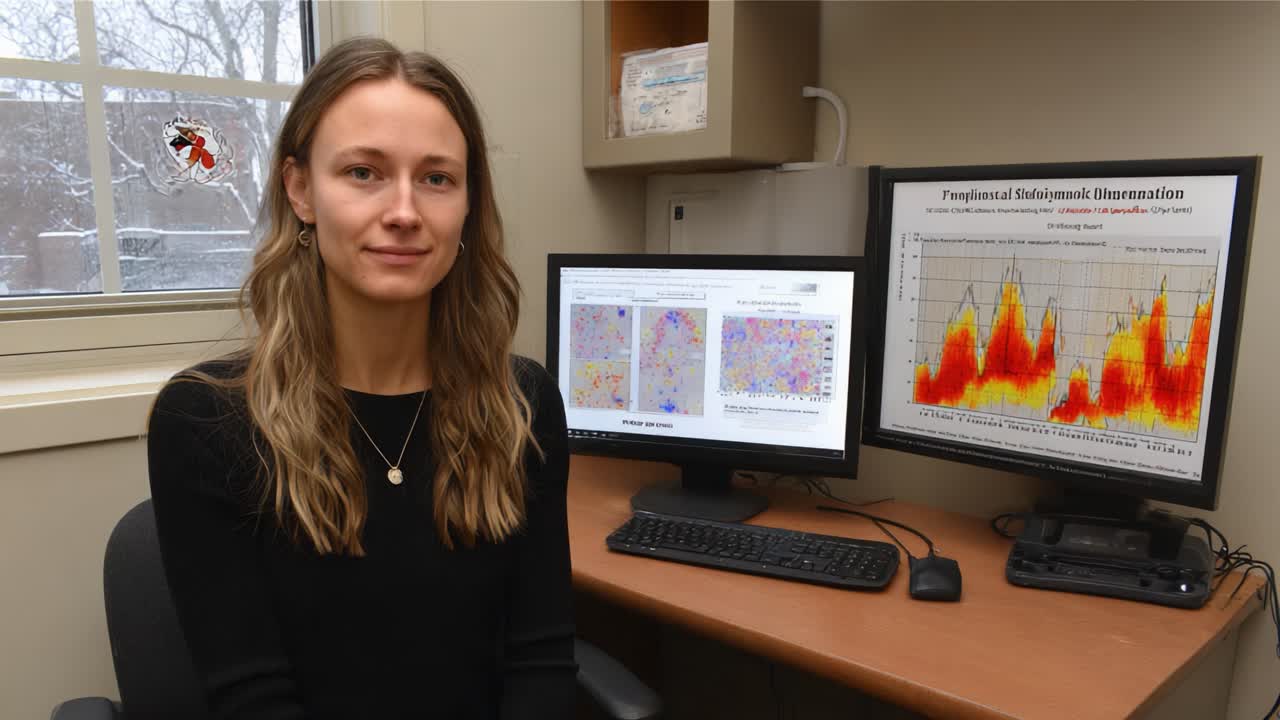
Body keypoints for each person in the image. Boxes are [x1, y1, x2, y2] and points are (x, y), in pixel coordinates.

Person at [146, 37, 575, 719]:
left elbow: (542, 665)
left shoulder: (521, 405)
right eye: (364, 173)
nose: (404, 211)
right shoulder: (204, 420)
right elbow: (254, 701)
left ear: (467, 203)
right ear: (300, 190)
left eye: (436, 178)